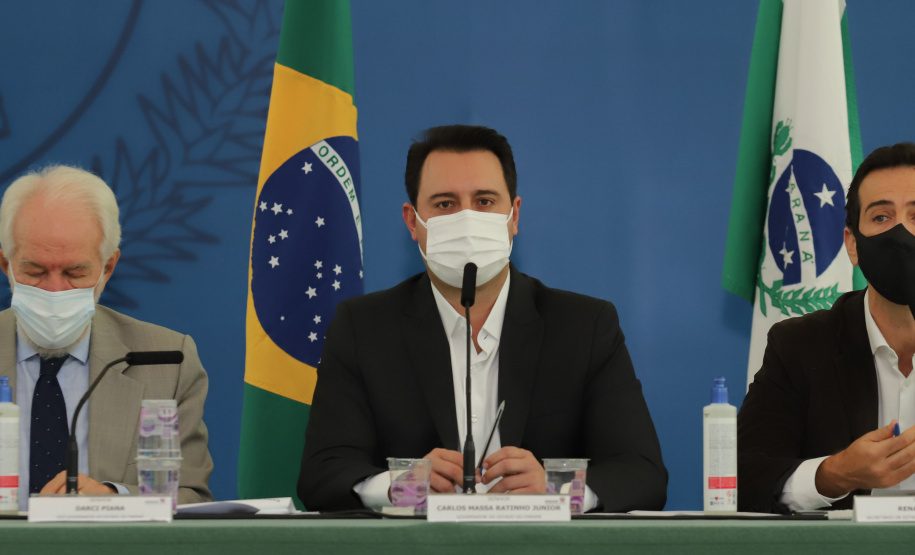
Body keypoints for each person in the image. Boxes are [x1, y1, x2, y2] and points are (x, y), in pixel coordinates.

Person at [299, 124, 667, 512]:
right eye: (444, 204)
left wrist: (558, 489)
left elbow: (642, 474)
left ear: (514, 215)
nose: (467, 220)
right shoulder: (363, 327)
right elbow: (322, 475)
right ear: (412, 222)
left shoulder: (585, 326)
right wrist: (401, 488)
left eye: (485, 201)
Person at [0, 165, 213, 511]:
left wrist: (115, 500)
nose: (55, 290)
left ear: (107, 268)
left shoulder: (166, 361)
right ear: (7, 266)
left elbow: (190, 499)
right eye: (35, 271)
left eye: (76, 272)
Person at [738, 143, 915, 513]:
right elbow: (745, 477)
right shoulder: (801, 346)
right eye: (882, 217)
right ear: (852, 244)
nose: (902, 234)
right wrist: (835, 474)